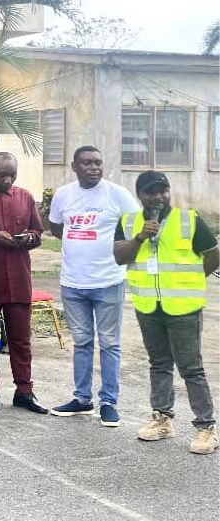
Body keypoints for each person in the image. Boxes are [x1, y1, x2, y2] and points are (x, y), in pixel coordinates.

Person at [113, 170, 219, 454]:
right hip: (148, 306)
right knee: (159, 364)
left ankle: (206, 428)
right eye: (151, 191)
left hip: (183, 308)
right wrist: (140, 237)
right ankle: (162, 419)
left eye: (163, 190)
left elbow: (213, 253)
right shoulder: (129, 222)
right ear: (140, 195)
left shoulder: (188, 220)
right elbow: (120, 256)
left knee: (191, 369)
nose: (158, 196)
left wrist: (194, 280)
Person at [48, 145, 140, 427]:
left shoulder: (117, 194)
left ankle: (109, 402)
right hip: (73, 284)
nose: (93, 168)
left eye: (98, 163)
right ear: (74, 166)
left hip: (108, 281)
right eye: (87, 163)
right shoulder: (63, 195)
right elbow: (57, 228)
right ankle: (82, 399)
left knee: (110, 343)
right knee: (82, 342)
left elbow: (137, 227)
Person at [0, 152, 48, 415]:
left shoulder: (25, 197)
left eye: (12, 175)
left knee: (21, 340)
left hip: (19, 280)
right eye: (2, 175)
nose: (7, 180)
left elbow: (38, 233)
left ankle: (24, 391)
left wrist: (28, 238)